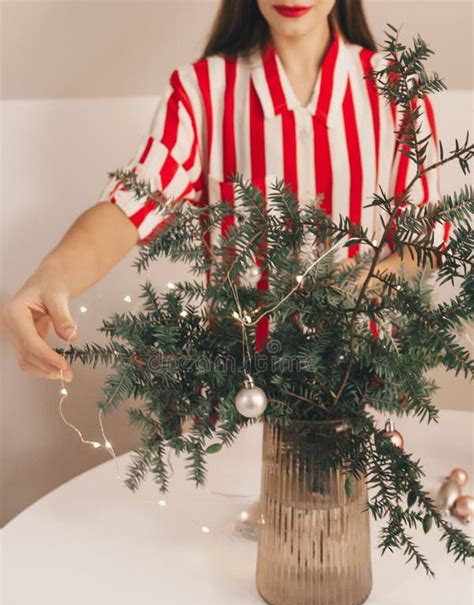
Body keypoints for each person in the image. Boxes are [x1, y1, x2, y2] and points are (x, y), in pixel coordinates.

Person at [1, 0, 449, 377]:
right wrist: (53, 276)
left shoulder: (397, 90)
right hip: (235, 388)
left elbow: (424, 242)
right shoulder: (201, 91)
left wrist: (345, 293)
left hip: (362, 387)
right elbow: (134, 204)